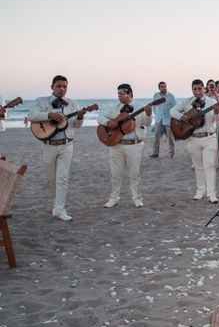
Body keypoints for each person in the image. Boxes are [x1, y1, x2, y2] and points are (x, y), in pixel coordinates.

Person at [28, 75, 86, 221]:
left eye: (65, 86)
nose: (62, 89)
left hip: (67, 145)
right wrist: (49, 114)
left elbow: (76, 125)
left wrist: (80, 117)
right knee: (51, 179)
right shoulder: (41, 101)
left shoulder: (72, 103)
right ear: (52, 87)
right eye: (59, 86)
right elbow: (31, 115)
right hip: (48, 145)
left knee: (62, 178)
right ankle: (55, 206)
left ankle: (60, 209)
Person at [99, 83, 152, 209]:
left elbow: (147, 123)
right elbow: (100, 117)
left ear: (130, 94)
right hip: (116, 144)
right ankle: (113, 198)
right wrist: (108, 122)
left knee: (134, 173)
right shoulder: (114, 108)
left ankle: (137, 198)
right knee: (115, 173)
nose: (119, 96)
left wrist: (149, 114)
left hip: (135, 145)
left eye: (121, 93)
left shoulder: (140, 107)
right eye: (118, 94)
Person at [171, 79, 219, 203]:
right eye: (195, 89)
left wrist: (217, 111)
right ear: (192, 89)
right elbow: (172, 111)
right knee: (198, 167)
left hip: (209, 137)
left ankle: (212, 194)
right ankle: (200, 191)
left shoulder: (212, 102)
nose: (197, 91)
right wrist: (181, 117)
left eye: (200, 89)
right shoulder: (187, 102)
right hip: (193, 138)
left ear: (204, 89)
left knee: (209, 165)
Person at [150, 81, 176, 158]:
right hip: (158, 119)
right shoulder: (156, 95)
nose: (164, 88)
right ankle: (155, 153)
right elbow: (154, 107)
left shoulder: (171, 96)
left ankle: (172, 153)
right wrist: (157, 115)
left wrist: (172, 117)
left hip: (168, 119)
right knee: (156, 136)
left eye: (165, 86)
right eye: (162, 87)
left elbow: (174, 108)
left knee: (170, 137)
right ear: (159, 88)